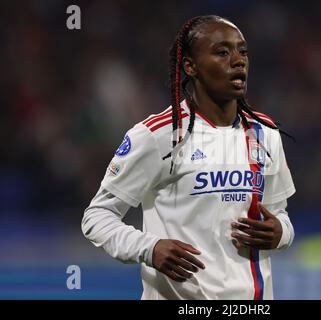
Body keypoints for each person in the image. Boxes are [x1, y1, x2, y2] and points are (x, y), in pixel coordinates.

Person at [82, 15, 296, 300]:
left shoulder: (264, 132)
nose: (238, 61)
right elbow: (97, 216)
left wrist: (281, 233)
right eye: (222, 52)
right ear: (190, 66)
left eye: (242, 51)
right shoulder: (158, 136)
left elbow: (279, 213)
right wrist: (150, 248)